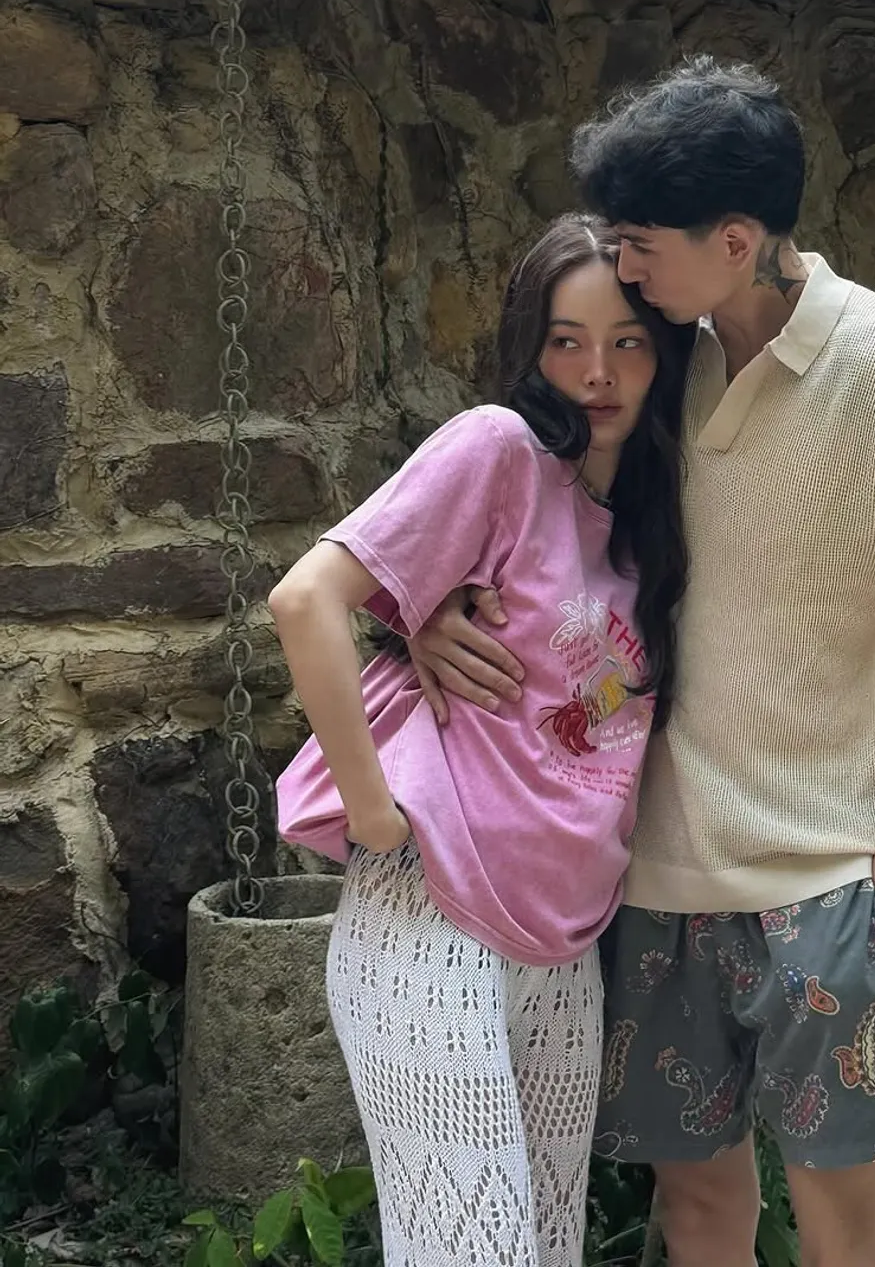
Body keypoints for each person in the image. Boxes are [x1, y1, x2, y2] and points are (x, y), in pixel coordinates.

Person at [407, 59, 875, 1267]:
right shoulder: (655, 363)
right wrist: (429, 612)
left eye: (641, 244)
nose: (623, 267)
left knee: (846, 1235)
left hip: (826, 886)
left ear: (734, 242)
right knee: (695, 1216)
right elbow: (529, 524)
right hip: (653, 882)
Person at [268, 213, 692, 1267]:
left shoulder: (650, 516)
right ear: (529, 348)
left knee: (543, 1248)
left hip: (563, 945)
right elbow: (306, 598)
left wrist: (421, 615)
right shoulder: (498, 449)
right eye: (565, 341)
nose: (597, 373)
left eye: (628, 342)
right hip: (437, 919)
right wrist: (376, 815)